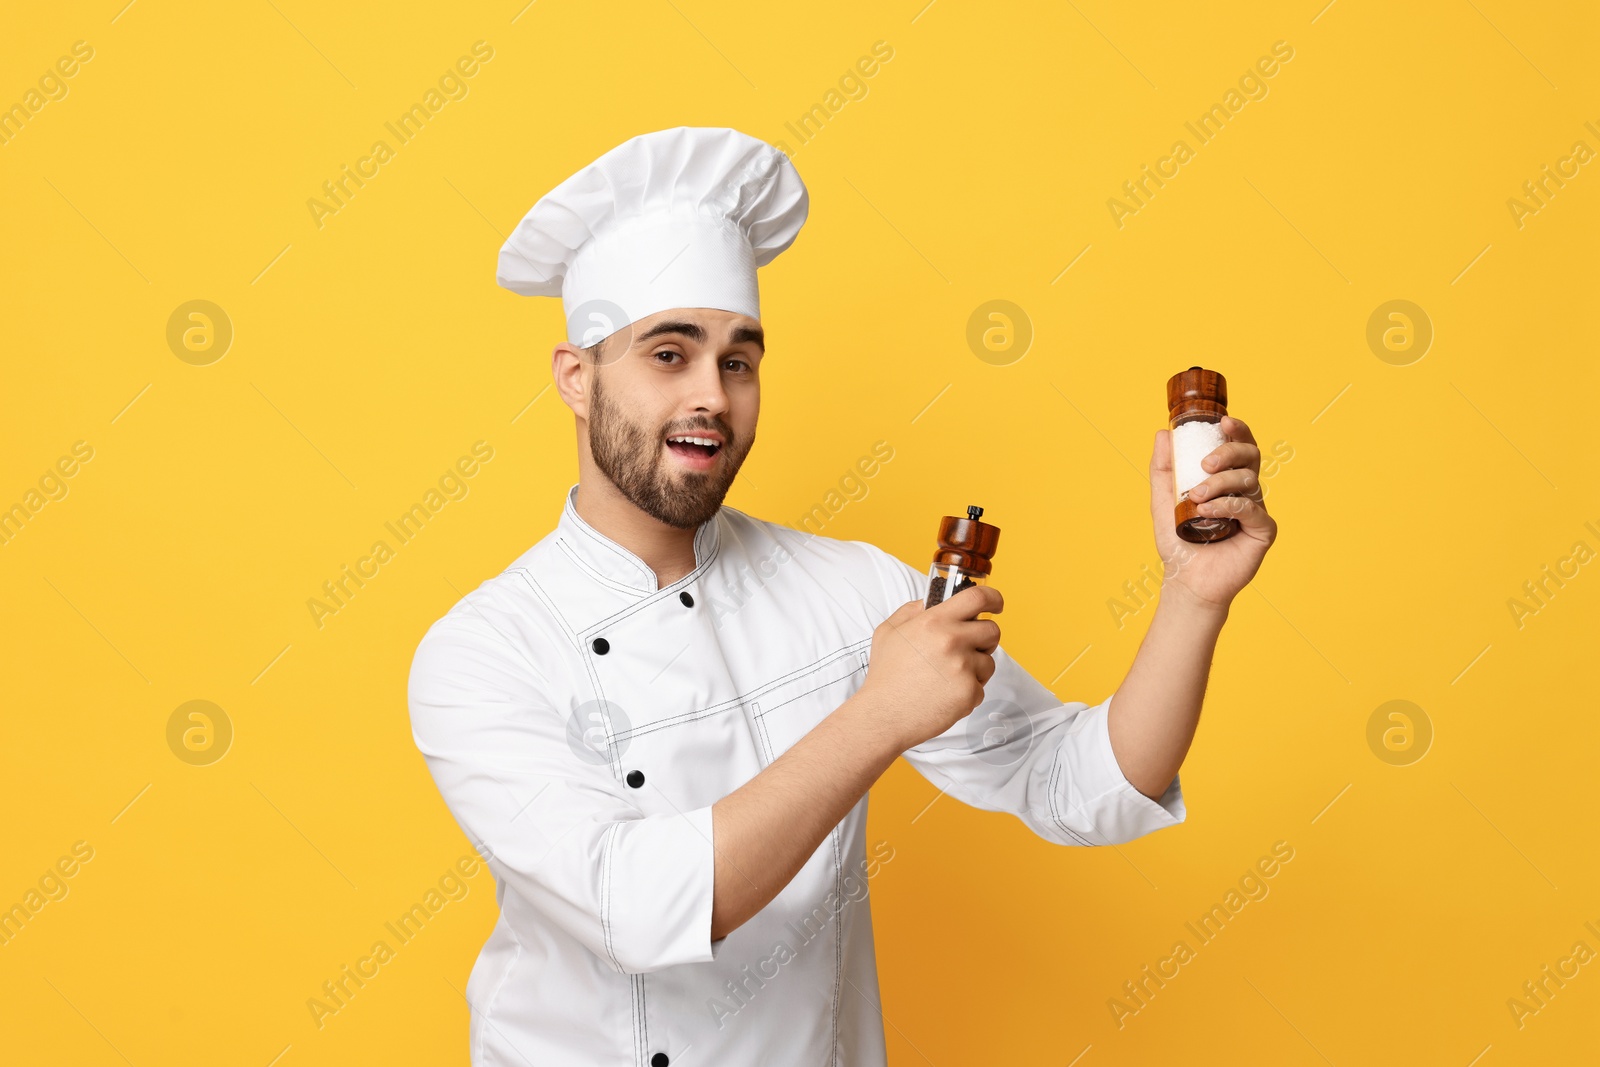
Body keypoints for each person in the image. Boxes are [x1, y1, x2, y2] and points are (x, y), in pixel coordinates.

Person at [407, 125, 1277, 1066]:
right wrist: (879, 713)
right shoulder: (482, 652)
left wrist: (1193, 597)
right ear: (577, 379)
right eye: (669, 354)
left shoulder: (852, 589)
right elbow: (637, 907)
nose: (712, 394)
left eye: (739, 360)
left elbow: (1080, 786)